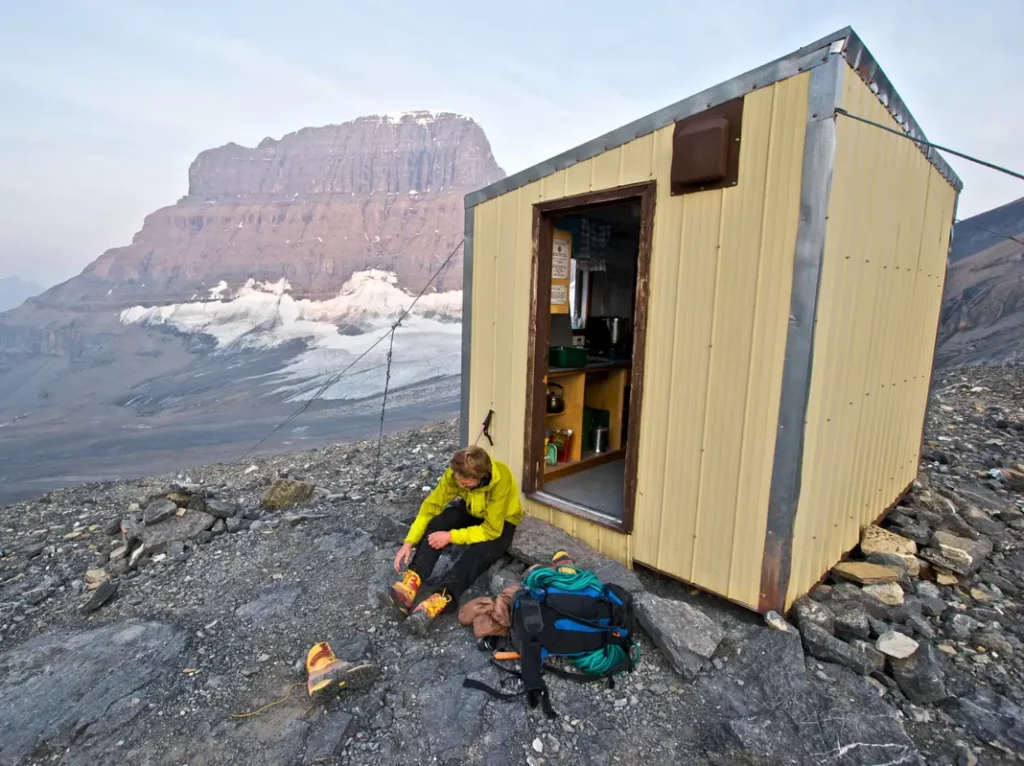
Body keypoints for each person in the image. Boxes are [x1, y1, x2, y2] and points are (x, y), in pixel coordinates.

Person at [380, 445, 523, 635]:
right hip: (473, 508)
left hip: (501, 522)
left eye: (465, 484)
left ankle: (441, 599)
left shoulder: (500, 479)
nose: (460, 485)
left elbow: (491, 530)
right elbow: (430, 506)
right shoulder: (455, 475)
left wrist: (451, 537)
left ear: (481, 476)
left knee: (477, 553)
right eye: (459, 482)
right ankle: (411, 583)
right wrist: (409, 542)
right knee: (438, 522)